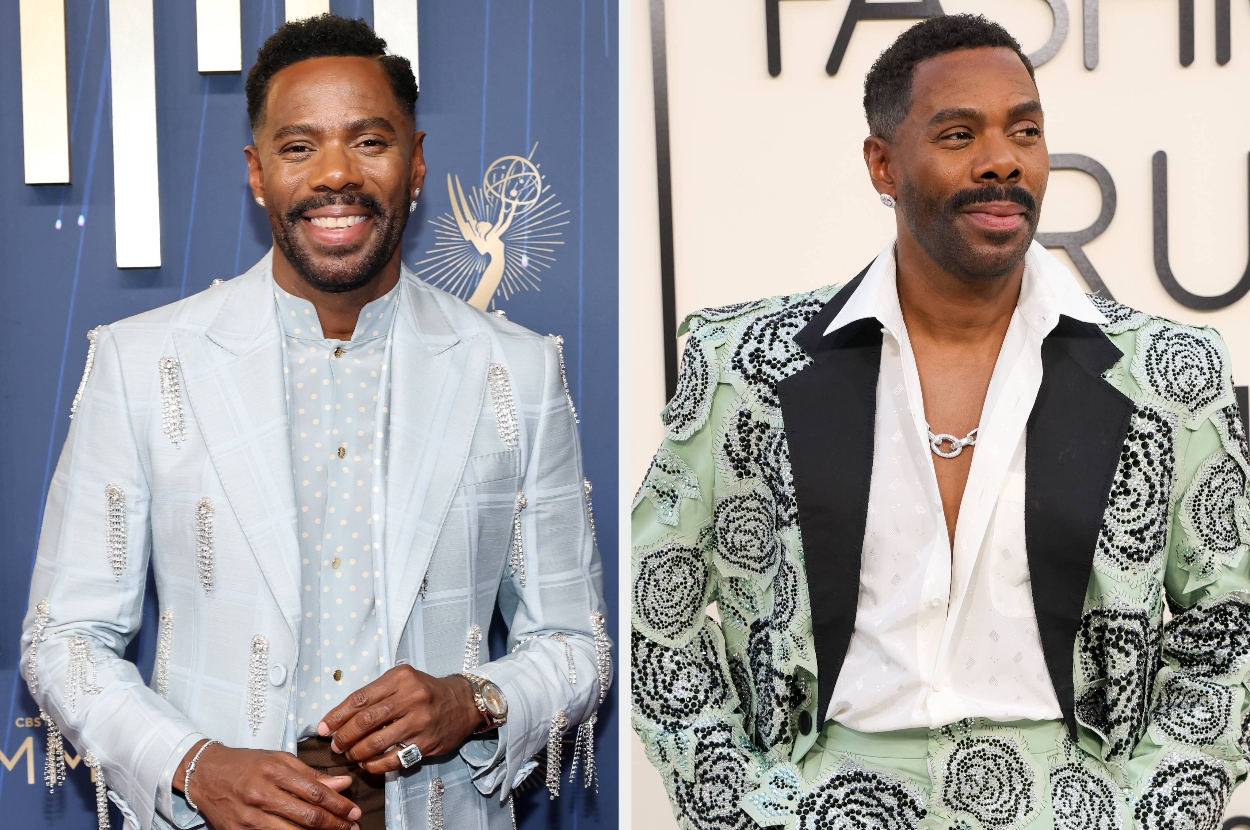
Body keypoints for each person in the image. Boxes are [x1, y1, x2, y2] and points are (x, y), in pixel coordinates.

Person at [631, 14, 1250, 830]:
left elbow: (1230, 624)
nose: (1003, 159)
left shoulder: (1167, 372)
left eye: (1025, 131)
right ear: (883, 164)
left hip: (1071, 801)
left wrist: (1145, 816)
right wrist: (748, 813)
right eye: (959, 134)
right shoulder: (747, 366)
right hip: (826, 800)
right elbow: (659, 615)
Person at [23, 15, 610, 830]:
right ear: (257, 173)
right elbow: (67, 640)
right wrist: (194, 767)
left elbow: (576, 645)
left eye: (370, 141)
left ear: (417, 164)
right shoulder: (144, 362)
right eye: (299, 148)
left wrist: (475, 699)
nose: (336, 174)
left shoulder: (513, 369)